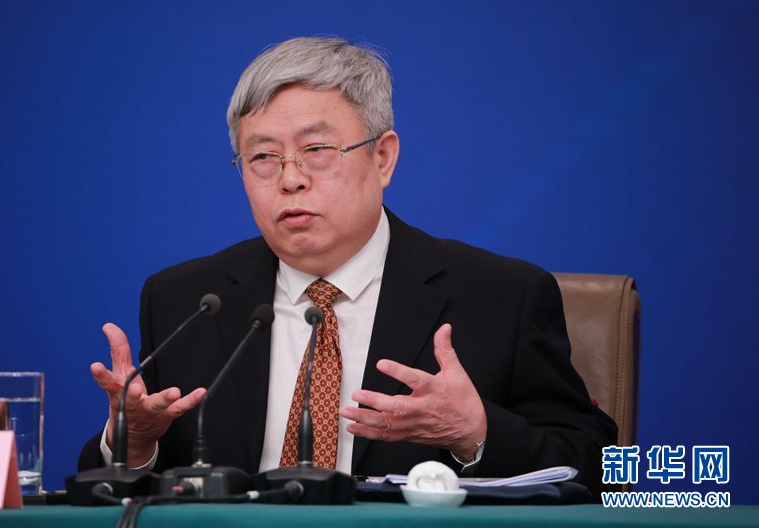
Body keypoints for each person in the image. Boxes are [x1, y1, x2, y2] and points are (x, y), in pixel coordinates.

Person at [78, 36, 616, 494]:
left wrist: (475, 432)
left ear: (382, 158)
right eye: (263, 157)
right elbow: (122, 491)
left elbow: (602, 467)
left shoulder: (500, 296)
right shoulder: (187, 301)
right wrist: (135, 444)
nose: (290, 179)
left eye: (316, 149)